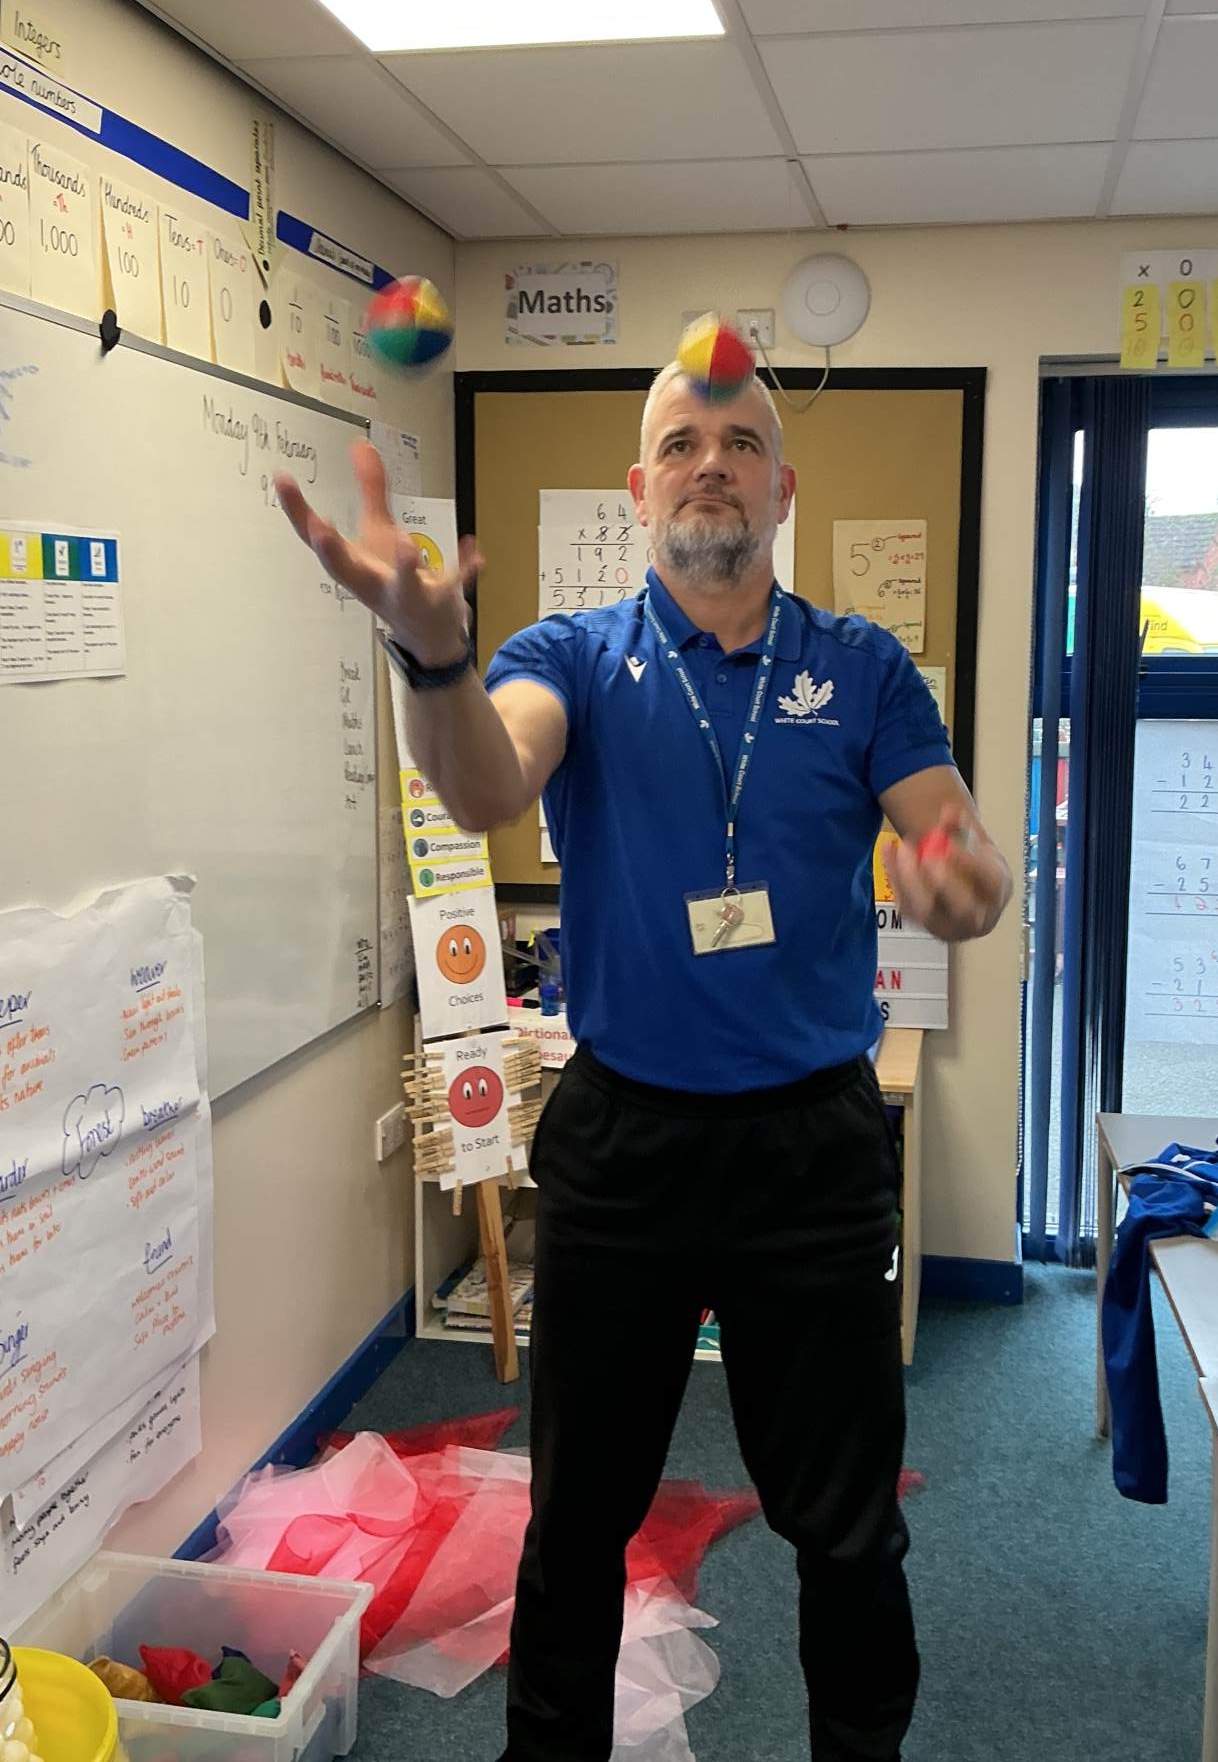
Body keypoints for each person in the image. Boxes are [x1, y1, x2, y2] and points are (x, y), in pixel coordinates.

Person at [277, 361, 1012, 1762]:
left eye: (740, 441)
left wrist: (957, 878)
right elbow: (486, 781)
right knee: (578, 1517)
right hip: (626, 1146)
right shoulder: (569, 657)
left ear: (782, 489)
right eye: (680, 442)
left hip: (812, 1152)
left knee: (848, 1529)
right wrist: (433, 659)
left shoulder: (860, 666)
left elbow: (956, 854)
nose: (709, 461)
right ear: (640, 489)